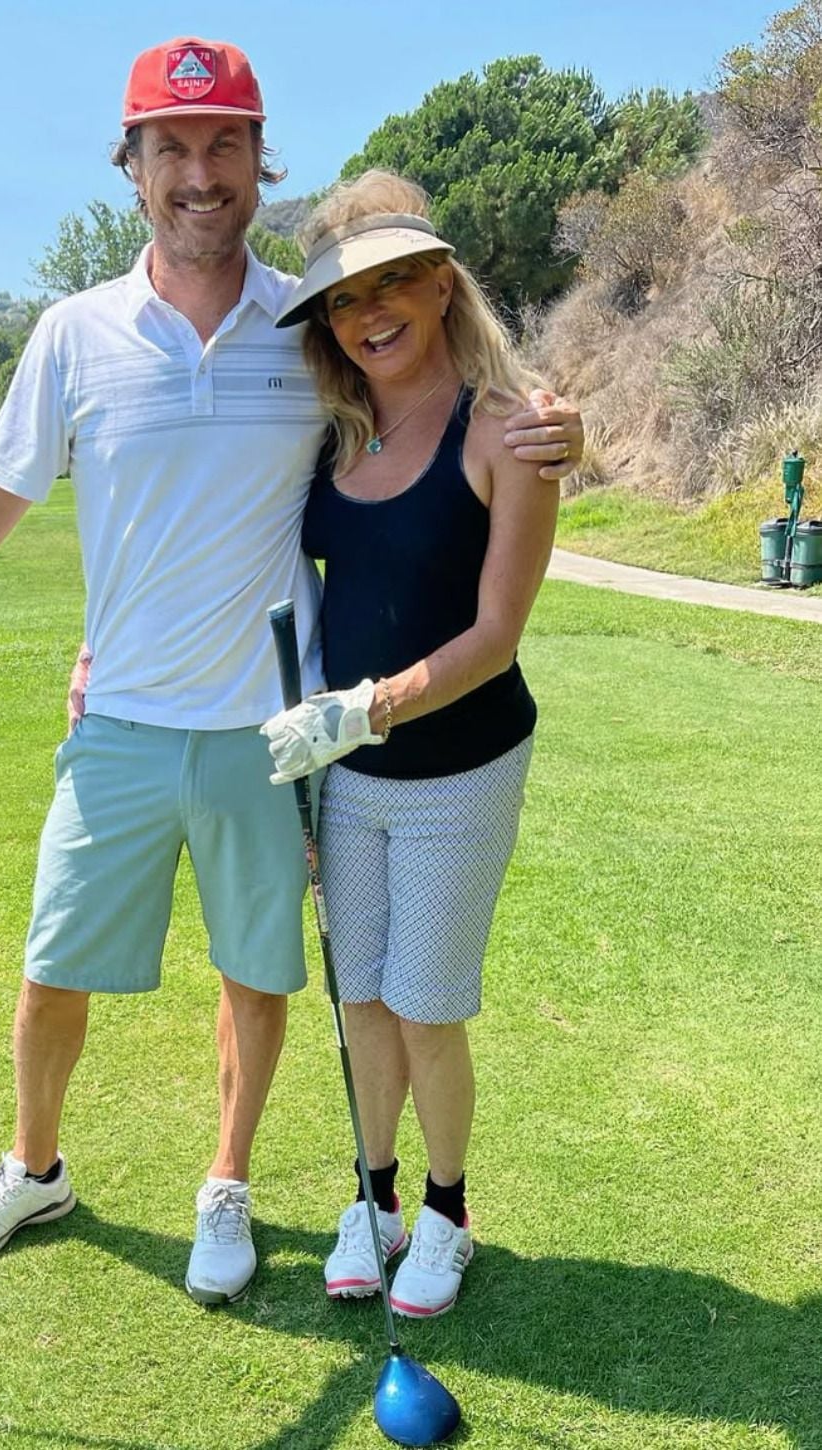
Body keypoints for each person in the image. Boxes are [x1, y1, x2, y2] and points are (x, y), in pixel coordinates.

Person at [0, 38, 582, 1309]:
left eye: (225, 143)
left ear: (258, 161)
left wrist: (558, 421)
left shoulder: (311, 326)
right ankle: (34, 1167)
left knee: (258, 976)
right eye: (171, 147)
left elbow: (442, 398)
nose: (200, 172)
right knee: (52, 966)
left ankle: (227, 1182)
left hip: (266, 731)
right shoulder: (74, 333)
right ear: (131, 167)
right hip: (121, 722)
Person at [258, 170, 559, 1319]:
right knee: (363, 1002)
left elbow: (494, 634)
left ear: (440, 283)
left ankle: (446, 1208)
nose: (368, 313)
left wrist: (361, 708)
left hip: (459, 768)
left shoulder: (508, 428)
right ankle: (373, 1197)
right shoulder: (337, 430)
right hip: (348, 776)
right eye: (343, 299)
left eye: (390, 283)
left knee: (427, 1001)